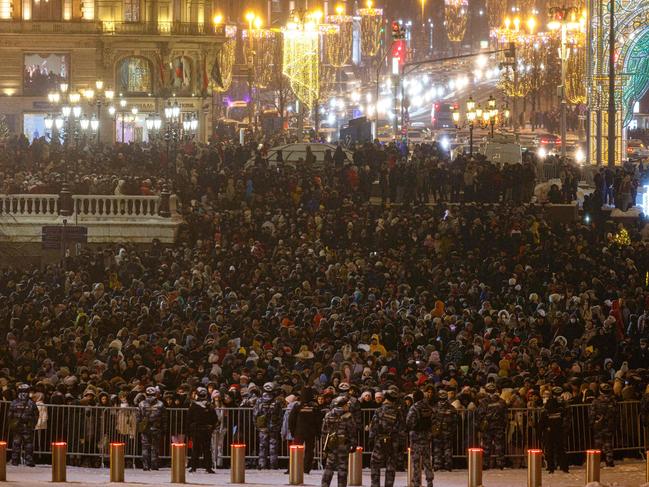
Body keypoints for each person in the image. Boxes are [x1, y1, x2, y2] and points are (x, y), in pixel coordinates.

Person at [369, 390, 404, 487]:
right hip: (393, 441)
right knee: (391, 466)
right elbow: (401, 428)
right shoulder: (398, 412)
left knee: (375, 464)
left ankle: (375, 485)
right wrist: (401, 443)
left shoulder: (379, 410)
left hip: (379, 441)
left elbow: (374, 426)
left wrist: (371, 439)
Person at [321, 396, 356, 487]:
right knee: (342, 468)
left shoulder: (328, 415)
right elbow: (352, 431)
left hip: (331, 444)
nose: (348, 406)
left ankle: (324, 485)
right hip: (343, 444)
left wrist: (326, 443)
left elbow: (324, 431)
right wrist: (353, 444)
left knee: (329, 467)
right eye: (347, 404)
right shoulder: (348, 416)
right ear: (343, 405)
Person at [289, 387, 322, 474]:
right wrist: (318, 433)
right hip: (311, 432)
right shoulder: (314, 407)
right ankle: (306, 468)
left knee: (295, 450)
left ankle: (293, 467)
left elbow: (291, 420)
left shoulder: (298, 406)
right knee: (309, 451)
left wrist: (293, 431)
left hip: (299, 431)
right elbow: (318, 421)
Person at [405, 389, 434, 487]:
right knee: (427, 460)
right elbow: (433, 420)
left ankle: (417, 482)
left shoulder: (414, 407)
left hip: (416, 437)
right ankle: (429, 481)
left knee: (416, 461)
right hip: (426, 436)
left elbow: (409, 422)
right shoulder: (428, 407)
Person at [539, 386, 569, 473]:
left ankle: (551, 467)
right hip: (559, 429)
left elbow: (543, 418)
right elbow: (566, 416)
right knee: (561, 448)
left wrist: (541, 429)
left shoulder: (547, 406)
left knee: (550, 449)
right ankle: (564, 467)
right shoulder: (562, 406)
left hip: (549, 430)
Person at [253, 382, 283, 469]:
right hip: (273, 427)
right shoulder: (276, 401)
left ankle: (262, 464)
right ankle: (273, 465)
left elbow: (255, 414)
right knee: (273, 447)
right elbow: (280, 416)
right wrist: (278, 426)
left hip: (262, 428)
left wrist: (257, 426)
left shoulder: (259, 401)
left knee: (262, 446)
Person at [477, 383, 507, 469]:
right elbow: (505, 416)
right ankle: (500, 464)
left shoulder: (483, 402)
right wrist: (503, 425)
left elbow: (480, 415)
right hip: (498, 427)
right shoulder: (501, 401)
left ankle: (485, 464)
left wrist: (480, 426)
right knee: (499, 446)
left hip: (487, 427)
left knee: (486, 446)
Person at [187, 387, 217, 473]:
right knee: (204, 449)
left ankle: (196, 467)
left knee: (200, 449)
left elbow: (189, 419)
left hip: (201, 430)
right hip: (201, 430)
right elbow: (214, 419)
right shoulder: (206, 405)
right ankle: (203, 467)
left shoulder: (196, 405)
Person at [137, 387, 165, 471]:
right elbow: (164, 418)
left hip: (145, 428)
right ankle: (154, 465)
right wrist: (164, 429)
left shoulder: (141, 404)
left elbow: (138, 417)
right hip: (156, 428)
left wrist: (139, 427)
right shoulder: (160, 404)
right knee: (155, 447)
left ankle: (145, 465)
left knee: (145, 447)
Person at [9, 384, 38, 467]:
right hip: (27, 426)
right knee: (28, 443)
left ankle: (15, 460)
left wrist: (12, 424)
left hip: (17, 426)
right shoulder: (31, 403)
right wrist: (33, 424)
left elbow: (9, 415)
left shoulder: (14, 402)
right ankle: (29, 460)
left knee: (16, 443)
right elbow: (36, 415)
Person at [589, 383, 617, 467]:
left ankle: (597, 462)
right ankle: (609, 461)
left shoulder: (596, 401)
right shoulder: (613, 401)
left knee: (598, 444)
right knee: (608, 443)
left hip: (599, 425)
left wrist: (591, 423)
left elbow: (592, 414)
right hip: (609, 425)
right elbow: (616, 413)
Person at [432, 389, 456, 471]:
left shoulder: (435, 407)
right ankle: (447, 465)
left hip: (440, 431)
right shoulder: (451, 407)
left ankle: (438, 465)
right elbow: (455, 420)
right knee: (446, 448)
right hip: (445, 431)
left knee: (438, 448)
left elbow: (432, 419)